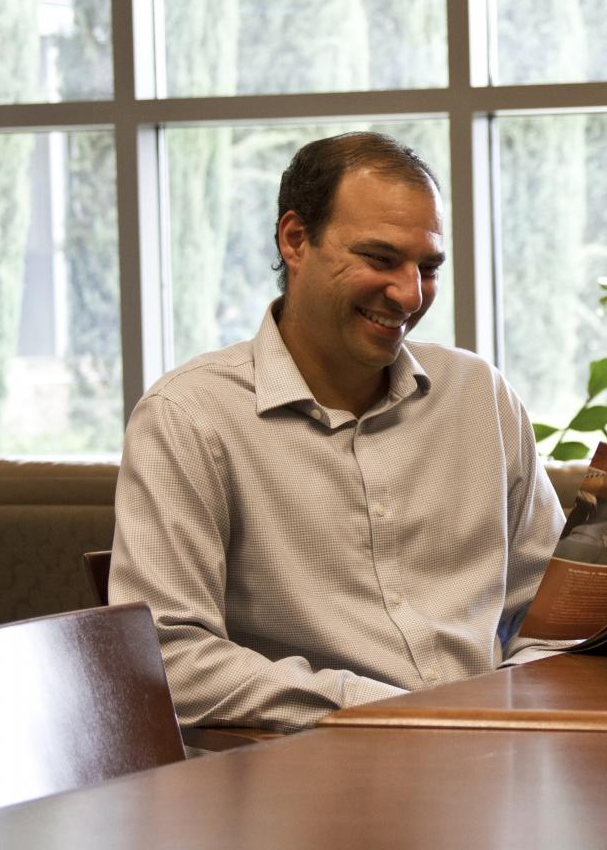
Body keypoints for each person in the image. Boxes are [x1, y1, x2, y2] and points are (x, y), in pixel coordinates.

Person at [110, 132, 564, 731]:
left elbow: (556, 612)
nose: (409, 294)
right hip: (306, 787)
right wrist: (385, 709)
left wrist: (516, 709)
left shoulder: (481, 395)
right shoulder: (188, 417)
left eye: (427, 268)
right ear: (295, 240)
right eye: (380, 260)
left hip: (491, 756)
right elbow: (166, 658)